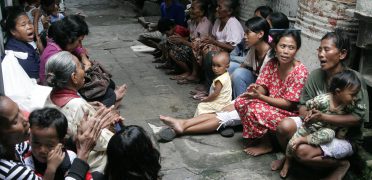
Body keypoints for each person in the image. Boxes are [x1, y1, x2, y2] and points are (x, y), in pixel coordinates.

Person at [159, 30, 308, 145]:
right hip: (265, 103)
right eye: (282, 46)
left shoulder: (300, 72)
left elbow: (288, 104)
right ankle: (182, 125)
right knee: (229, 109)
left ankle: (183, 126)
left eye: (291, 47)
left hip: (284, 112)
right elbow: (262, 85)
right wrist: (256, 92)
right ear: (276, 46)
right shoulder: (272, 64)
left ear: (297, 49)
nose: (286, 51)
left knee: (236, 111)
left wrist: (260, 97)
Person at [271, 29, 369, 180]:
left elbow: (357, 118)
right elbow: (303, 106)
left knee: (302, 150)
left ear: (342, 54)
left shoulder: (353, 80)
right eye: (319, 49)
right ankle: (291, 158)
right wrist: (308, 116)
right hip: (315, 125)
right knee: (284, 127)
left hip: (342, 136)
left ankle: (340, 164)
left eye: (326, 49)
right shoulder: (316, 75)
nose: (320, 54)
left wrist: (323, 118)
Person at [44, 51, 124, 173]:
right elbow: (103, 143)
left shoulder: (52, 95)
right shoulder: (78, 106)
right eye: (81, 67)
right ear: (74, 77)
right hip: (87, 162)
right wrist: (108, 126)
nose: (84, 70)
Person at [280, 70, 362, 178]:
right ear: (338, 92)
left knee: (329, 134)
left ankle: (305, 141)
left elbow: (347, 124)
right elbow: (308, 104)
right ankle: (287, 161)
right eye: (352, 95)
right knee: (293, 141)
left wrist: (341, 135)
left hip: (326, 131)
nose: (355, 98)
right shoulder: (323, 100)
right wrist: (310, 112)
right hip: (312, 126)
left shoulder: (348, 105)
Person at [0, 96, 100, 180]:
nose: (25, 119)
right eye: (14, 121)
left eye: (19, 111)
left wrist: (77, 138)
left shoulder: (16, 146)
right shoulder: (15, 171)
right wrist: (83, 153)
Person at [40, 15, 127, 108]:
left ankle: (112, 100)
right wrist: (83, 71)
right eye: (79, 41)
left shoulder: (60, 41)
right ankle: (113, 101)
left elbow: (78, 49)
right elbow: (66, 81)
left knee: (109, 84)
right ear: (70, 38)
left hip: (66, 85)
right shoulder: (55, 55)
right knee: (109, 94)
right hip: (59, 91)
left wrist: (83, 56)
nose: (80, 45)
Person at [22, 107, 96, 179]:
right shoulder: (28, 162)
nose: (42, 150)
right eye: (36, 143)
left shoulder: (70, 158)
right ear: (29, 138)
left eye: (49, 145)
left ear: (62, 142)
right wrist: (51, 169)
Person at [197, 0, 244, 87]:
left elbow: (234, 48)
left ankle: (210, 86)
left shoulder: (233, 24)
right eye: (217, 6)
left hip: (230, 53)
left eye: (220, 7)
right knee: (198, 43)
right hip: (220, 48)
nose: (217, 9)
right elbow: (214, 37)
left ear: (229, 11)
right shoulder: (218, 21)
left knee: (210, 54)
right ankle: (197, 76)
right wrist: (207, 40)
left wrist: (213, 42)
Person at [229, 16, 273, 99]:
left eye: (247, 33)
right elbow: (244, 65)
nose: (244, 36)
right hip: (256, 80)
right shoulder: (254, 48)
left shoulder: (271, 55)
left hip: (264, 88)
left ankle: (240, 104)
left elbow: (267, 84)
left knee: (239, 74)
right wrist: (225, 81)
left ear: (260, 34)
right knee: (231, 66)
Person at [2, 6, 40, 80]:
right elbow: (35, 78)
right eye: (23, 25)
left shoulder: (22, 44)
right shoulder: (22, 54)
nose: (30, 27)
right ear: (13, 31)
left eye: (29, 22)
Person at [193, 51, 231, 116]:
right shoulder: (226, 75)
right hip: (225, 102)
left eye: (219, 66)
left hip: (219, 104)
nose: (215, 68)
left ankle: (196, 122)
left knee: (201, 106)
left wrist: (207, 99)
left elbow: (215, 94)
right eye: (213, 65)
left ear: (227, 66)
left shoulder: (219, 80)